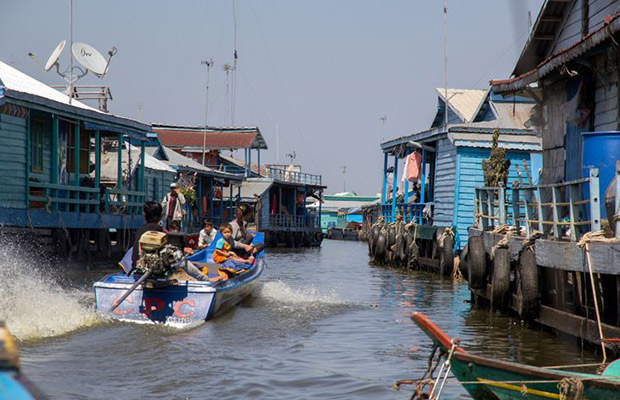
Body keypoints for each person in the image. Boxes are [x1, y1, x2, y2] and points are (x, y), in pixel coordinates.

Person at [132, 201, 208, 281]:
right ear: (161, 215)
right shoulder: (161, 232)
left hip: (137, 273)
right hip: (155, 274)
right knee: (180, 258)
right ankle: (204, 279)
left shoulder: (139, 231)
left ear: (144, 215)